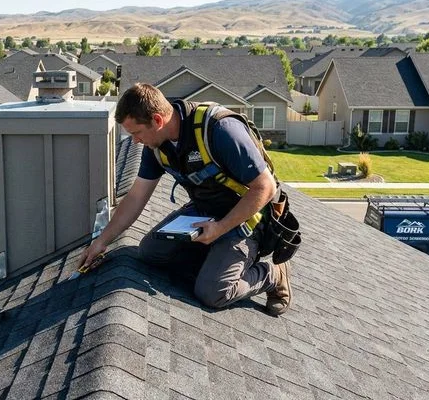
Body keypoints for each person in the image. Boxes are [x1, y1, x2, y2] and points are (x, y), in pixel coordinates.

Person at [78, 83, 292, 316]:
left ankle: (272, 274)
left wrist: (220, 228)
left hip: (247, 216)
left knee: (213, 292)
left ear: (157, 121)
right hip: (205, 210)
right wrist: (101, 241)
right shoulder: (157, 146)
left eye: (136, 133)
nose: (135, 141)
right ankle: (215, 263)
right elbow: (136, 196)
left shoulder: (220, 130)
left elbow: (265, 187)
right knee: (149, 252)